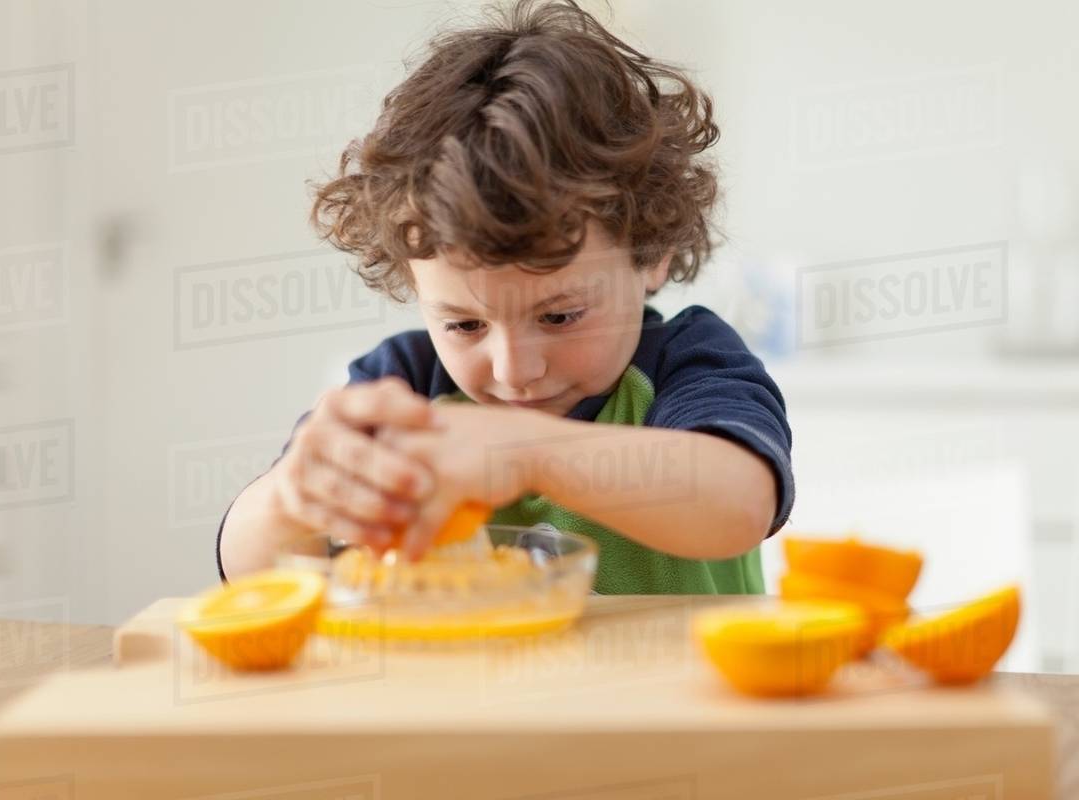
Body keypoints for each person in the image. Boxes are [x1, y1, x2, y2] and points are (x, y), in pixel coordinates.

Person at [217, 0, 794, 594]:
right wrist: (296, 495)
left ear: (650, 256)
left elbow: (741, 507)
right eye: (465, 326)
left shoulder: (687, 363)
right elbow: (250, 568)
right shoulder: (405, 385)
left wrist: (524, 450)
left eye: (561, 315)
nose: (515, 370)